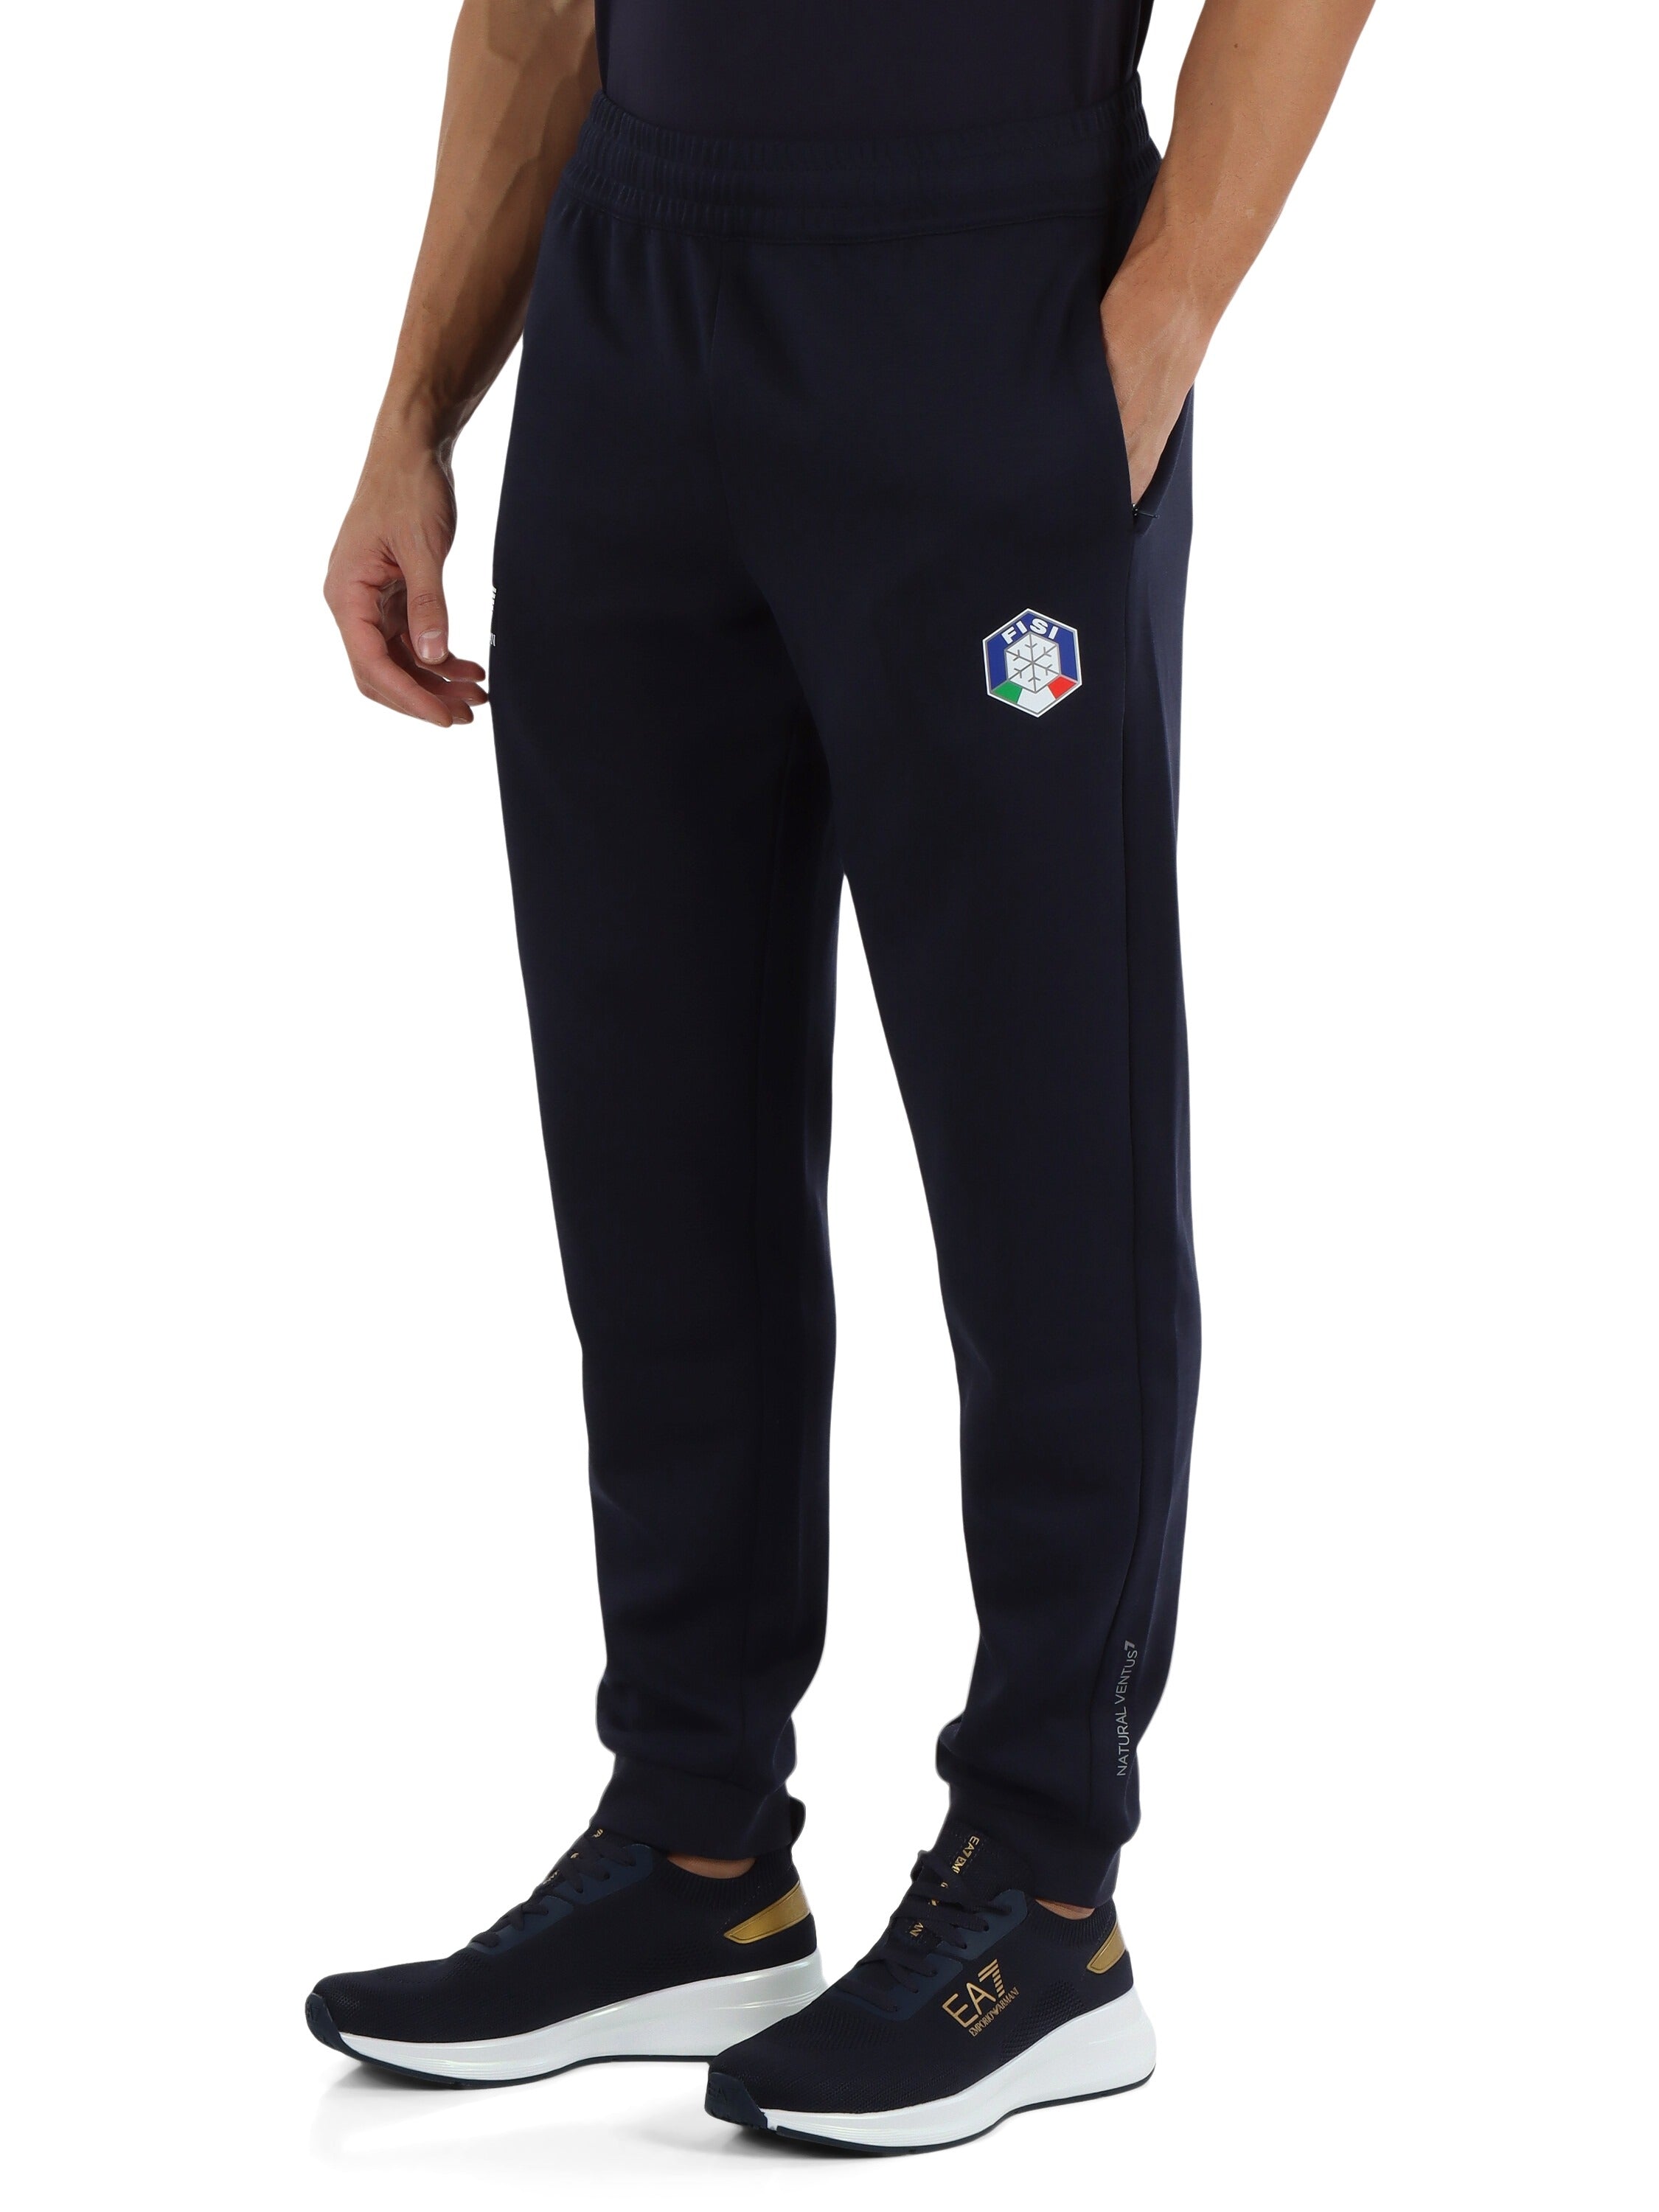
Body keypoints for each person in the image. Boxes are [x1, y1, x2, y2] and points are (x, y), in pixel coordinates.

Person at [313, 0, 1371, 2152]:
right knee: (652, 1128)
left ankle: (1044, 1888)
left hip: (983, 288)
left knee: (1045, 1132)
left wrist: (1152, 328)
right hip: (631, 310)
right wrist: (415, 409)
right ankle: (694, 1845)